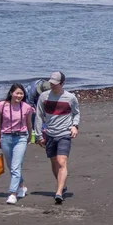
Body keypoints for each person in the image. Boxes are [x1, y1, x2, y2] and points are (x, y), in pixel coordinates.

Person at [34, 72, 80, 204]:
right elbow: (38, 116)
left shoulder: (70, 98)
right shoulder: (44, 96)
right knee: (54, 163)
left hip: (64, 134)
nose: (52, 85)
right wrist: (38, 135)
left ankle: (58, 192)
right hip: (49, 134)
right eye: (51, 83)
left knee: (61, 162)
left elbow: (76, 113)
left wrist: (75, 126)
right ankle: (62, 185)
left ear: (63, 83)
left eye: (55, 83)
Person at [0, 83, 34, 205]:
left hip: (21, 137)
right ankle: (21, 186)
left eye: (21, 93)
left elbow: (29, 124)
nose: (19, 95)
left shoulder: (26, 107)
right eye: (17, 93)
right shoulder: (2, 105)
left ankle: (12, 193)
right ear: (11, 93)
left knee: (16, 166)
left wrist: (31, 137)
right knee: (11, 166)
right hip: (6, 137)